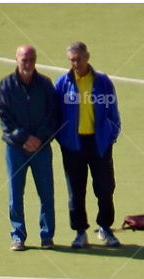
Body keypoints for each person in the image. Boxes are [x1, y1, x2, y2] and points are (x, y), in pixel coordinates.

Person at [55, 41, 122, 249]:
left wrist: (110, 135)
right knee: (76, 190)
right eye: (72, 59)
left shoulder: (102, 82)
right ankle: (80, 231)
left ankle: (105, 227)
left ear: (87, 57)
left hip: (98, 142)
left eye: (79, 58)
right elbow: (55, 113)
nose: (76, 63)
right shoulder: (63, 83)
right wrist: (63, 137)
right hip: (73, 144)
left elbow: (113, 111)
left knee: (104, 188)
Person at [0, 45, 60, 251]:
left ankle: (47, 236)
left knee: (46, 193)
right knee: (16, 193)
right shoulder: (6, 86)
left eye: (31, 59)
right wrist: (24, 138)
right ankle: (18, 235)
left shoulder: (45, 84)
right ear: (16, 60)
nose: (28, 64)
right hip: (16, 149)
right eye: (24, 60)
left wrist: (39, 138)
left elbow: (53, 115)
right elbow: (5, 117)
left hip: (41, 148)